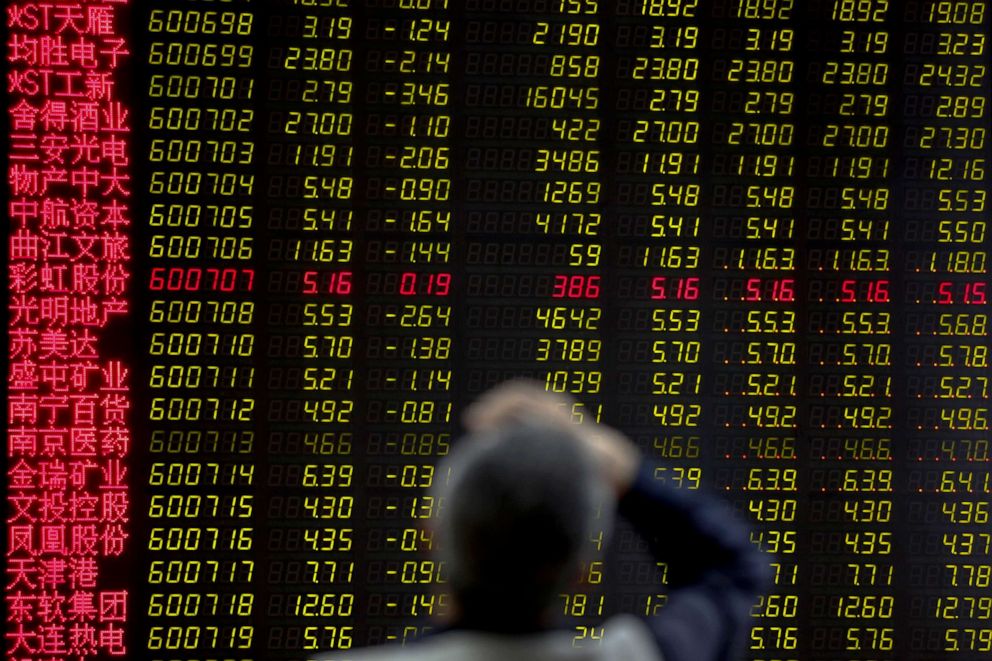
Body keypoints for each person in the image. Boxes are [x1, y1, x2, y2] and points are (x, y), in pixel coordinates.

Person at [314, 380, 772, 661]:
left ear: (428, 537)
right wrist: (618, 462)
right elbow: (734, 569)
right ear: (586, 570)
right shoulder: (636, 656)